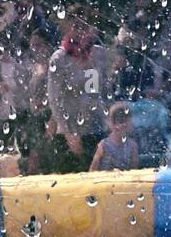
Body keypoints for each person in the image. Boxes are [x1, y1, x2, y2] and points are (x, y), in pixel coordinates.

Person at [45, 16, 111, 172]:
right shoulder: (59, 58)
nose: (80, 31)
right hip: (70, 127)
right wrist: (68, 132)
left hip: (94, 126)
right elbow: (54, 98)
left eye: (84, 27)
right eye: (76, 27)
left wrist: (108, 118)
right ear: (68, 28)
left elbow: (97, 90)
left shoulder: (97, 54)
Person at [91, 102, 141, 172]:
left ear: (129, 122)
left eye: (123, 120)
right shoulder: (103, 145)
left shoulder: (132, 146)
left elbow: (134, 172)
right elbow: (92, 170)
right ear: (110, 123)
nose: (119, 125)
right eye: (116, 121)